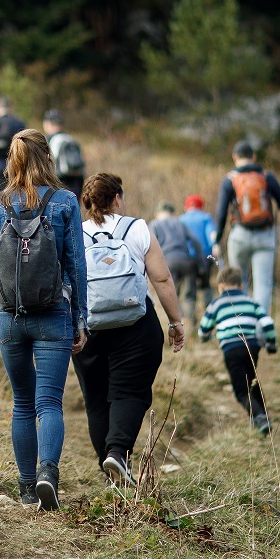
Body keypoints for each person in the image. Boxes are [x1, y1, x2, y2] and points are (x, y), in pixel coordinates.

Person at [0, 129, 88, 511]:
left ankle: (25, 489)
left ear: (13, 160)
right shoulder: (66, 201)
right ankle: (47, 476)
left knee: (22, 402)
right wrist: (80, 319)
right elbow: (76, 265)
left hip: (10, 317)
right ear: (48, 159)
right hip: (54, 314)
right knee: (49, 403)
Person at [74, 174, 187, 488]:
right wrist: (175, 322)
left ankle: (109, 469)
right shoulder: (136, 227)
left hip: (90, 327)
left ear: (87, 203)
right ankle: (118, 454)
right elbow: (162, 279)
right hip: (136, 325)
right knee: (130, 392)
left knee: (96, 400)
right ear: (117, 199)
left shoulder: (75, 234)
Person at [198, 266, 276, 435]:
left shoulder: (216, 304)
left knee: (241, 390)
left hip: (231, 349)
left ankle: (259, 418)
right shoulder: (251, 301)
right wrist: (271, 344)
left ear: (220, 287)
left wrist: (205, 338)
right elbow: (267, 323)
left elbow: (203, 330)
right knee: (251, 380)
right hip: (252, 347)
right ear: (241, 286)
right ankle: (263, 415)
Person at [213, 141, 280, 314]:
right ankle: (260, 330)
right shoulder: (266, 176)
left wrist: (217, 238)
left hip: (239, 236)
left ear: (235, 157)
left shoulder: (229, 180)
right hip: (264, 237)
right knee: (262, 284)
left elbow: (221, 213)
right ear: (253, 157)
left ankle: (242, 326)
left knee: (239, 282)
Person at [149, 202, 207, 328]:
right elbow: (196, 242)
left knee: (171, 294)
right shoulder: (180, 223)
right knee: (189, 294)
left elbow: (149, 245)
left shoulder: (154, 224)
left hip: (167, 262)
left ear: (157, 214)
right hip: (186, 261)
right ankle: (191, 322)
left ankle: (179, 321)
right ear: (172, 213)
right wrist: (202, 264)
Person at [178, 194, 218, 325]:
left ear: (186, 207)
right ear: (202, 206)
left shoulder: (181, 220)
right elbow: (212, 235)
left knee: (189, 291)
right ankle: (209, 319)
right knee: (206, 287)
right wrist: (215, 247)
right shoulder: (206, 218)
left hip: (187, 259)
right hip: (205, 258)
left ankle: (190, 321)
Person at [43, 109, 86, 199]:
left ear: (47, 123)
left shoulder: (48, 140)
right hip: (76, 182)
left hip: (59, 182)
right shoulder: (70, 139)